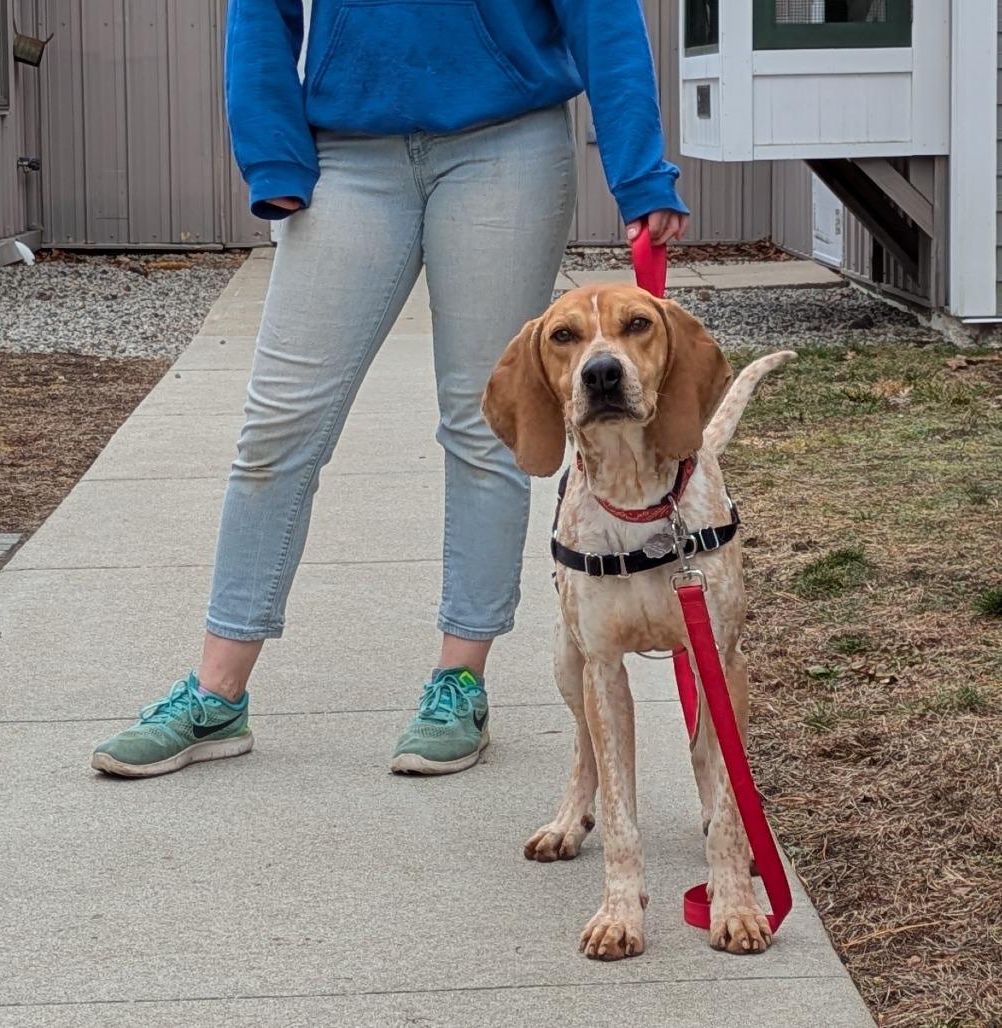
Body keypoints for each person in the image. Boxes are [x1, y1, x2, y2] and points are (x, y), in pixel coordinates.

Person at [90, 0, 689, 779]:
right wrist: (273, 152)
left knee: (486, 425)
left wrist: (641, 168)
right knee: (280, 423)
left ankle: (459, 681)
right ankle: (216, 693)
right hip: (345, 153)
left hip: (505, 144)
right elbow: (258, 12)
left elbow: (600, 14)